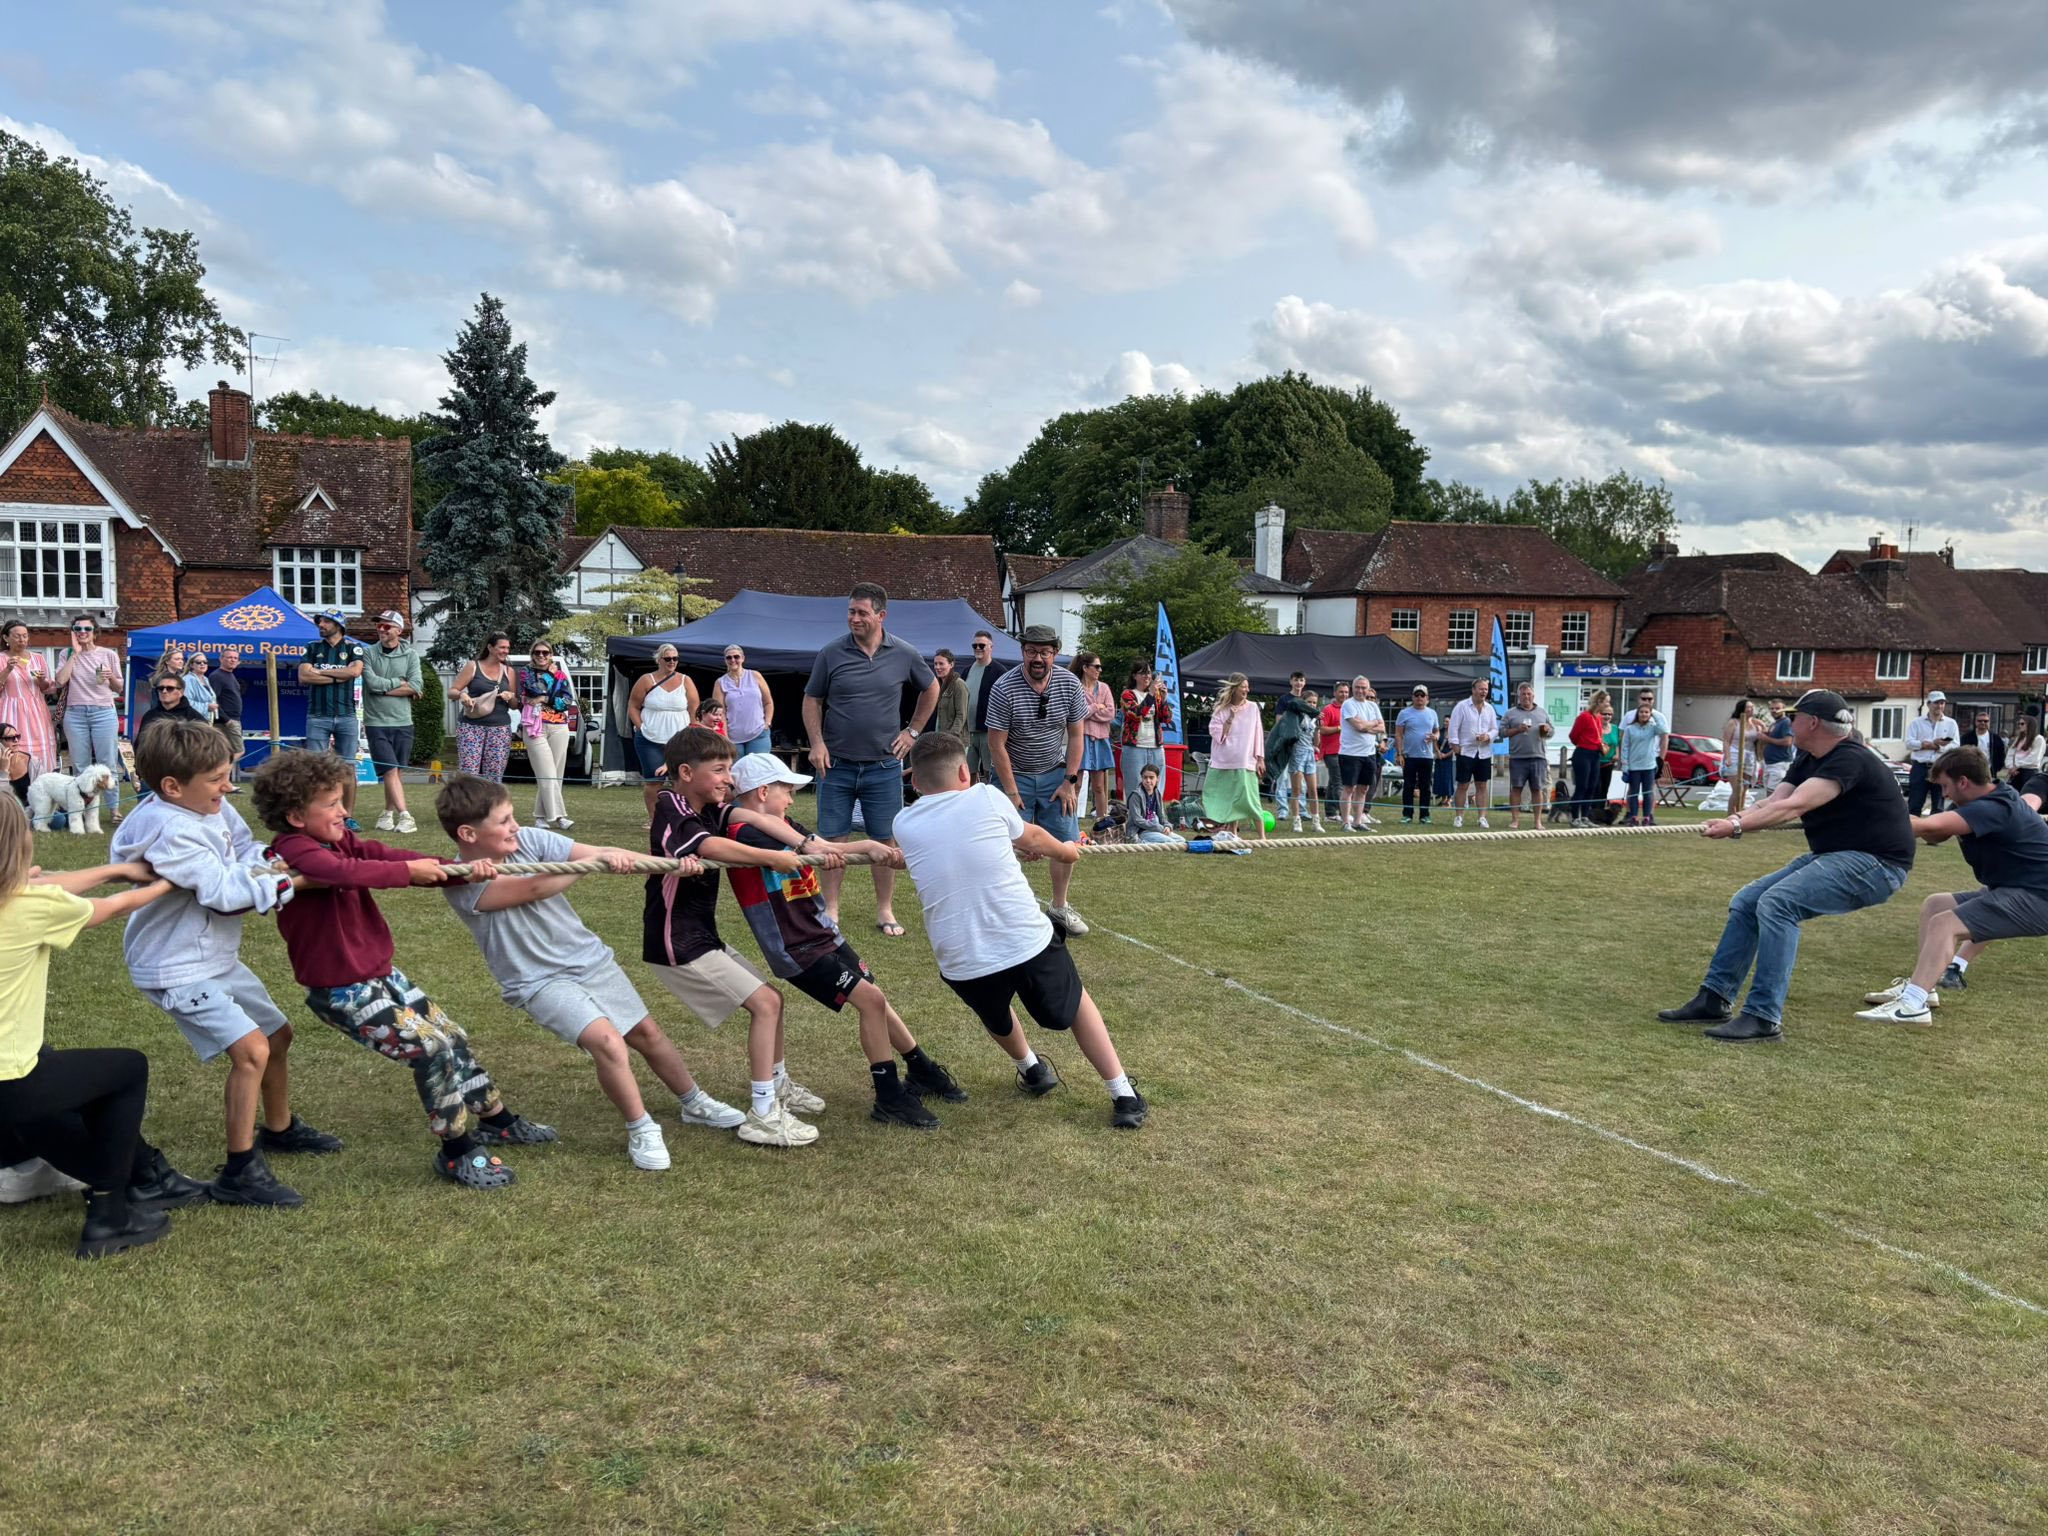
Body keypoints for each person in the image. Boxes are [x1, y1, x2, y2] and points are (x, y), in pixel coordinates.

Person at [250, 749, 555, 1188]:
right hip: (341, 991)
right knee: (429, 1049)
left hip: (380, 975)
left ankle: (497, 1119)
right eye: (332, 804)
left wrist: (459, 870)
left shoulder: (337, 840)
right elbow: (343, 872)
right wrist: (409, 872)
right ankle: (456, 1151)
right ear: (297, 816)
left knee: (451, 1036)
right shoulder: (293, 849)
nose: (343, 811)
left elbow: (379, 852)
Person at [435, 772, 747, 1169]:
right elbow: (534, 888)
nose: (515, 826)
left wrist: (670, 866)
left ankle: (694, 1102)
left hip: (587, 959)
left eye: (512, 816)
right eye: (503, 822)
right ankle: (641, 1128)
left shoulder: (528, 840)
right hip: (537, 981)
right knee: (607, 1041)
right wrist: (590, 864)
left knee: (646, 1033)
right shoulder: (460, 881)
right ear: (468, 833)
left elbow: (600, 851)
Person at [112, 721, 335, 1209]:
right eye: (217, 778)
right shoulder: (169, 830)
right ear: (172, 786)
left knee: (277, 1036)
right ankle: (240, 1171)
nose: (229, 785)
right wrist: (293, 883)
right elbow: (223, 896)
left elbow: (242, 848)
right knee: (252, 1051)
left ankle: (279, 1128)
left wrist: (274, 858)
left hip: (213, 955)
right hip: (175, 965)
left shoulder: (209, 805)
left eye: (227, 773)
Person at [895, 733, 1147, 1129]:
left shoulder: (904, 823)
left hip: (962, 960)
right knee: (1076, 1001)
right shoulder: (987, 797)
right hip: (1024, 940)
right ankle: (1123, 1094)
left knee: (994, 1012)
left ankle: (1032, 1070)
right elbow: (1034, 838)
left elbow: (951, 848)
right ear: (965, 771)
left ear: (915, 782)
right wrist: (1067, 851)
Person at [0, 792, 202, 1258]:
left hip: (15, 1089)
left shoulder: (29, 900)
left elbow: (45, 886)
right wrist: (170, 882)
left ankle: (140, 1172)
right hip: (9, 1086)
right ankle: (110, 1214)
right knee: (126, 1069)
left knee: (58, 1072)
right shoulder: (31, 907)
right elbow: (115, 906)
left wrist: (116, 868)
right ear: (19, 844)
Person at [723, 752, 968, 1130]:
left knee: (874, 995)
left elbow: (819, 844)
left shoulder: (782, 824)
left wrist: (870, 848)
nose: (790, 798)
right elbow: (801, 844)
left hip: (822, 934)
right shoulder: (746, 833)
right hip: (795, 947)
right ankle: (889, 1098)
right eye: (786, 790)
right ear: (762, 791)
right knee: (871, 1000)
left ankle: (921, 1067)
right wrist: (830, 848)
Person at [1657, 688, 1913, 1044]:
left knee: (1778, 903)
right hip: (1835, 855)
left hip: (1876, 864)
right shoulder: (1809, 757)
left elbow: (1793, 808)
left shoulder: (1849, 758)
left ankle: (1763, 1017)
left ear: (1811, 723)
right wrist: (1735, 819)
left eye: (1794, 717)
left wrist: (1735, 826)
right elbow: (1775, 800)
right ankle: (1715, 998)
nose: (1788, 722)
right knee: (1748, 901)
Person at [643, 726, 833, 1149]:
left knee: (772, 1001)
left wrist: (804, 843)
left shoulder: (713, 806)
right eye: (720, 769)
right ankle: (763, 1114)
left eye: (730, 769)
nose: (729, 778)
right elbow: (708, 847)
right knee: (765, 1003)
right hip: (675, 940)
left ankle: (777, 1089)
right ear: (686, 772)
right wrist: (772, 858)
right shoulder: (670, 805)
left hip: (700, 935)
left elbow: (748, 818)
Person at [1856, 746, 2048, 1026]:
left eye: (1946, 786)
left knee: (1946, 924)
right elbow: (1936, 834)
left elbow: (1924, 827)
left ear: (1963, 782)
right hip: (2017, 888)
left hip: (2039, 896)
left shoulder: (1994, 807)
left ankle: (1912, 1005)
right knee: (1936, 905)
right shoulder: (1979, 803)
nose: (1944, 793)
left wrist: (1870, 813)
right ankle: (1925, 988)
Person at [803, 583, 939, 940]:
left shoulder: (904, 653)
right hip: (836, 765)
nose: (854, 618)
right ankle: (831, 909)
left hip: (883, 765)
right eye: (851, 611)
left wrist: (912, 732)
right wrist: (816, 743)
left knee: (886, 841)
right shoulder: (831, 653)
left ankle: (885, 909)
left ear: (881, 616)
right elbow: (812, 699)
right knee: (833, 839)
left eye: (862, 612)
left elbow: (931, 688)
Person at [986, 623, 1093, 928]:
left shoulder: (1070, 684)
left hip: (1054, 775)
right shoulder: (1003, 687)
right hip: (1012, 774)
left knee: (1065, 843)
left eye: (1044, 652)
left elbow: (1076, 737)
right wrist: (1011, 792)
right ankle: (1008, 910)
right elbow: (996, 744)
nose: (1037, 658)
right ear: (1023, 652)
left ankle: (1059, 908)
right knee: (1003, 844)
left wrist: (1069, 783)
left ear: (1055, 654)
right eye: (1031, 651)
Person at [54, 615, 124, 823]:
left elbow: (118, 688)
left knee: (108, 763)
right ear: (73, 632)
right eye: (78, 629)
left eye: (87, 629)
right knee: (80, 765)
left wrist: (110, 676)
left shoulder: (108, 654)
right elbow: (59, 681)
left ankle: (114, 811)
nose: (82, 632)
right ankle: (81, 812)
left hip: (103, 712)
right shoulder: (66, 654)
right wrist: (75, 654)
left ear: (95, 631)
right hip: (75, 713)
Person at [298, 611, 367, 820]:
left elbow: (354, 672)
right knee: (315, 769)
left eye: (326, 621)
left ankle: (348, 817)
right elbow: (303, 676)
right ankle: (316, 814)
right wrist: (338, 677)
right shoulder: (312, 647)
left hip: (346, 715)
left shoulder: (352, 648)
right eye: (320, 621)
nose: (321, 624)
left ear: (339, 625)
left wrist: (319, 673)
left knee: (348, 768)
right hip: (318, 715)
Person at [361, 612, 422, 833]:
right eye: (379, 625)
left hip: (403, 721)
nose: (381, 629)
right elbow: (372, 684)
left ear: (399, 630)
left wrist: (392, 689)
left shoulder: (411, 655)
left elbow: (416, 685)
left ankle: (386, 815)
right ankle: (406, 816)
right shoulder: (368, 653)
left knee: (396, 772)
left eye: (387, 626)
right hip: (376, 721)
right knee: (389, 769)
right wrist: (399, 683)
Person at [629, 644, 699, 826]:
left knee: (682, 781)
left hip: (679, 741)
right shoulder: (646, 679)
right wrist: (641, 727)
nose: (672, 662)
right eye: (668, 659)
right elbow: (633, 706)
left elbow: (694, 709)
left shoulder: (686, 680)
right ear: (659, 660)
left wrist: (691, 731)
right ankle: (653, 818)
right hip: (650, 739)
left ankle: (683, 817)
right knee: (654, 781)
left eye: (675, 658)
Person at [519, 641, 578, 830]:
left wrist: (545, 699)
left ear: (551, 654)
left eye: (545, 652)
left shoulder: (562, 675)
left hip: (559, 726)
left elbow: (566, 701)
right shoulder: (526, 672)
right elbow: (534, 689)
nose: (542, 655)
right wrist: (550, 677)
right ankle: (560, 816)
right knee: (546, 773)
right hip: (535, 726)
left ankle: (541, 817)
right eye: (537, 652)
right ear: (532, 654)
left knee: (556, 773)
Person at [1201, 673, 1266, 842]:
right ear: (1235, 688)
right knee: (1230, 800)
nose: (1246, 690)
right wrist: (1230, 717)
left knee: (1251, 800)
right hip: (1224, 761)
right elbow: (1216, 734)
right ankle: (1233, 835)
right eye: (1243, 686)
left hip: (1246, 761)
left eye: (1247, 686)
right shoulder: (1221, 709)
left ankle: (1263, 837)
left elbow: (1258, 733)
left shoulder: (1253, 708)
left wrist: (1260, 758)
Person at [448, 631, 517, 786]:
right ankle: (467, 807)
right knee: (468, 773)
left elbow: (514, 705)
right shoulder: (473, 666)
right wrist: (462, 694)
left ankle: (490, 808)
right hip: (471, 727)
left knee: (494, 774)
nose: (505, 651)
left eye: (507, 648)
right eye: (502, 647)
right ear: (490, 648)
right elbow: (451, 691)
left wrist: (510, 696)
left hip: (499, 728)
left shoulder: (509, 671)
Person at [0, 619, 59, 782]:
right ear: (6, 638)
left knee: (41, 752)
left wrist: (42, 681)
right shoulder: (1, 659)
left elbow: (48, 688)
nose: (22, 640)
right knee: (13, 749)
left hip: (36, 710)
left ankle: (43, 790)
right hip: (10, 711)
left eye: (25, 636)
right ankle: (14, 792)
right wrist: (7, 669)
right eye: (17, 636)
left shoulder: (38, 658)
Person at [1266, 671, 1319, 834]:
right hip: (1296, 754)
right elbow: (1283, 726)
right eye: (1309, 702)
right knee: (1294, 788)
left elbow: (1316, 736)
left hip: (1309, 753)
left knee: (1313, 789)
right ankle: (1294, 818)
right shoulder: (1292, 711)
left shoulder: (1315, 717)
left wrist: (1316, 744)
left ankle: (1315, 820)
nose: (1312, 705)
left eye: (1315, 703)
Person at [1445, 678, 1498, 829]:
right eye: (1481, 689)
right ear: (1473, 689)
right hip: (1466, 751)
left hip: (1484, 752)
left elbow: (1495, 729)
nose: (1484, 692)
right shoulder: (1461, 707)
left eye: (1486, 689)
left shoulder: (1490, 709)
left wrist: (1488, 736)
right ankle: (1459, 817)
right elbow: (1453, 727)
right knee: (1463, 785)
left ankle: (1482, 817)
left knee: (1482, 785)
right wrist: (1455, 746)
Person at [1118, 659, 1173, 798]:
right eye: (1143, 673)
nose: (1147, 676)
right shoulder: (1128, 695)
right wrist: (1151, 695)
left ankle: (1154, 815)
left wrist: (1164, 699)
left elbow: (1166, 719)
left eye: (1149, 673)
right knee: (1135, 785)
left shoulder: (1156, 696)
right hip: (1135, 748)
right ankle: (1136, 816)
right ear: (1134, 676)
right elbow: (1136, 714)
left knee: (1157, 785)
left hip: (1155, 746)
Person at [1503, 681, 1553, 831]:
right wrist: (1518, 729)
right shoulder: (1510, 713)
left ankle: (1537, 822)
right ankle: (1515, 820)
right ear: (1519, 696)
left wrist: (1547, 731)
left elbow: (1551, 731)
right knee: (1516, 789)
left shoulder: (1542, 712)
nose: (1526, 696)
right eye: (1523, 694)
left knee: (1537, 789)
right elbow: (1502, 732)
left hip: (1538, 756)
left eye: (1529, 694)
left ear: (1533, 695)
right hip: (1518, 757)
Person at [1075, 653, 1119, 822]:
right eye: (1096, 666)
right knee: (1076, 784)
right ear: (1085, 668)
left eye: (1100, 667)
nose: (1099, 670)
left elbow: (1110, 713)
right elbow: (1078, 713)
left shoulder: (1105, 688)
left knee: (1099, 786)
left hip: (1101, 739)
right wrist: (1095, 707)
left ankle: (1103, 822)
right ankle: (1070, 821)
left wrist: (1089, 711)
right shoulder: (1076, 687)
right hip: (1081, 738)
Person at [1339, 674, 1385, 831]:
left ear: (1368, 689)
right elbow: (1358, 726)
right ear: (1353, 688)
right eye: (1357, 687)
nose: (1360, 690)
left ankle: (1358, 821)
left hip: (1369, 753)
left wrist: (1367, 725)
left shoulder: (1373, 706)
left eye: (1363, 688)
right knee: (1349, 788)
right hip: (1350, 753)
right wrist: (1372, 724)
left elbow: (1382, 728)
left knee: (1363, 788)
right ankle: (1346, 822)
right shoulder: (1348, 705)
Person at [963, 630, 1009, 784]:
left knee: (990, 772)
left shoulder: (1000, 672)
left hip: (990, 731)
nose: (977, 648)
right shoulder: (966, 671)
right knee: (968, 773)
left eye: (981, 645)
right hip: (968, 732)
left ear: (991, 647)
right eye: (974, 645)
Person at [712, 644, 774, 757]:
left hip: (758, 733)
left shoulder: (755, 676)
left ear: (743, 658)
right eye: (729, 657)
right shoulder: (720, 683)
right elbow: (719, 713)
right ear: (725, 660)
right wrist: (724, 736)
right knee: (736, 772)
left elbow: (768, 702)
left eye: (736, 656)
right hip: (733, 738)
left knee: (758, 770)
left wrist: (767, 723)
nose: (733, 660)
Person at [1617, 691, 1669, 826]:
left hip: (1649, 766)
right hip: (1634, 766)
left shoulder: (1653, 728)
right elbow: (1625, 747)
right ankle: (1633, 816)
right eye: (1642, 712)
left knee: (1648, 792)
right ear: (1637, 714)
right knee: (1633, 792)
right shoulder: (1630, 729)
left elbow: (1663, 731)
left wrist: (1654, 713)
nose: (1644, 714)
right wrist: (1625, 765)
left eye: (1647, 712)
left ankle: (1647, 817)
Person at [1904, 691, 1960, 814]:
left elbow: (1955, 746)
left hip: (1941, 767)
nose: (1939, 706)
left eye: (1942, 703)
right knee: (1915, 803)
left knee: (1938, 805)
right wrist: (1923, 744)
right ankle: (1912, 831)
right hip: (1920, 767)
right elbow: (1908, 743)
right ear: (1928, 704)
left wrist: (1937, 747)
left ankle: (1935, 832)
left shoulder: (1951, 723)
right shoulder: (1916, 722)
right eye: (1936, 703)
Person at [1393, 686, 1438, 825]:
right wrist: (1399, 753)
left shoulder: (1432, 713)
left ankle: (1425, 815)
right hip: (1409, 755)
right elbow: (1399, 734)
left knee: (1425, 786)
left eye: (1422, 695)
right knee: (1408, 786)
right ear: (1412, 697)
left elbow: (1437, 731)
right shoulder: (1404, 713)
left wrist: (1435, 737)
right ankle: (1407, 814)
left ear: (1427, 698)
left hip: (1427, 756)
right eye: (1417, 695)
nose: (1419, 698)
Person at [1567, 690, 1609, 827]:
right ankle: (1574, 817)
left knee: (1592, 786)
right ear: (1599, 701)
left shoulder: (1598, 718)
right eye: (1606, 702)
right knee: (1582, 786)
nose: (1608, 705)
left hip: (1595, 755)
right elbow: (1573, 735)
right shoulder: (1584, 717)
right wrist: (1585, 744)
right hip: (1583, 754)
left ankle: (1585, 816)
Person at [211, 646, 246, 787]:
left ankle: (223, 781)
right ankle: (219, 775)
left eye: (235, 658)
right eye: (229, 657)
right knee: (239, 750)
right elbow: (213, 700)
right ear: (221, 659)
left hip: (234, 719)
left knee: (227, 752)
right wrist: (226, 719)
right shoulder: (217, 676)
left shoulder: (230, 675)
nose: (232, 660)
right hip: (225, 721)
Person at [136, 672, 207, 741]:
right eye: (160, 688)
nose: (164, 691)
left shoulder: (194, 718)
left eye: (170, 688)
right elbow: (140, 744)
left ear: (181, 692)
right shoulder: (149, 716)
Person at [1124, 762, 1182, 845]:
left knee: (1181, 840)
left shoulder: (1157, 794)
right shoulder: (1135, 795)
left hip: (1157, 829)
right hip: (1141, 831)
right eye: (1145, 777)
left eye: (1151, 778)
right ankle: (1140, 842)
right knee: (1171, 842)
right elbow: (1138, 820)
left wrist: (1167, 826)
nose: (1148, 780)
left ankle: (1150, 842)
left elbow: (1162, 817)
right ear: (1141, 778)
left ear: (1157, 779)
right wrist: (1158, 828)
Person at [1317, 680, 1347, 824]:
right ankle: (1344, 814)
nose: (1344, 694)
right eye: (1341, 691)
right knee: (1339, 782)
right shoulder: (1328, 709)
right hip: (1331, 751)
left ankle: (1330, 813)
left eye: (1346, 692)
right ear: (1335, 693)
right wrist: (1339, 728)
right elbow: (1322, 729)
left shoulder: (1350, 708)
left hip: (1345, 751)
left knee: (1333, 782)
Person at [1722, 698, 1763, 804]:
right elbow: (1726, 741)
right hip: (1735, 754)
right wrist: (1728, 757)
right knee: (1737, 789)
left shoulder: (1755, 723)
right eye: (1749, 707)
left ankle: (1740, 814)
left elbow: (1763, 737)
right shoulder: (1733, 722)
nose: (1752, 709)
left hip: (1750, 756)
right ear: (1742, 709)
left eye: (1753, 707)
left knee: (1744, 789)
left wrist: (1762, 727)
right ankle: (1731, 813)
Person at [930, 648, 971, 748]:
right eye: (935, 664)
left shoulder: (959, 685)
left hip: (955, 742)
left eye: (941, 663)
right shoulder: (939, 685)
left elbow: (961, 715)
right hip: (941, 739)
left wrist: (951, 737)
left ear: (951, 665)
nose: (937, 667)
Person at [1758, 698, 1796, 794]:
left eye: (1777, 708)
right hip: (1770, 763)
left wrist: (1766, 739)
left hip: (1779, 763)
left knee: (1773, 794)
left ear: (1783, 709)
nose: (1774, 711)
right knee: (1769, 791)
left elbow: (1787, 741)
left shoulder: (1786, 722)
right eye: (1772, 709)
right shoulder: (1775, 723)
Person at [1960, 710, 2007, 781]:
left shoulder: (1995, 738)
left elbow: (2001, 754)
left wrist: (1997, 767)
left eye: (1985, 721)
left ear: (1989, 722)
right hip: (1971, 770)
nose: (1982, 723)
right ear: (1975, 722)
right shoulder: (1967, 737)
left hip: (1990, 771)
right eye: (1980, 721)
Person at [2008, 714, 2045, 789]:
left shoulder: (2038, 739)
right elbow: (2010, 753)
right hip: (2016, 772)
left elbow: (2034, 758)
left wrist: (2017, 765)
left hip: (2029, 771)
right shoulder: (2019, 739)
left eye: (2022, 724)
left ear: (2030, 725)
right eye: (2019, 724)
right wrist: (2011, 766)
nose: (2020, 726)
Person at [183, 651, 217, 723]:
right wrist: (207, 707)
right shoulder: (188, 679)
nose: (202, 664)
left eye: (205, 662)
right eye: (198, 662)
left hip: (206, 720)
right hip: (193, 722)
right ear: (191, 665)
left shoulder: (206, 679)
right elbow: (186, 702)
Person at [3, 724, 27, 805]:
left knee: (60, 817)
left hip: (33, 810)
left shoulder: (32, 762)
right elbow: (3, 800)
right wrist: (3, 771)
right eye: (9, 738)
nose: (16, 740)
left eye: (17, 736)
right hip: (9, 813)